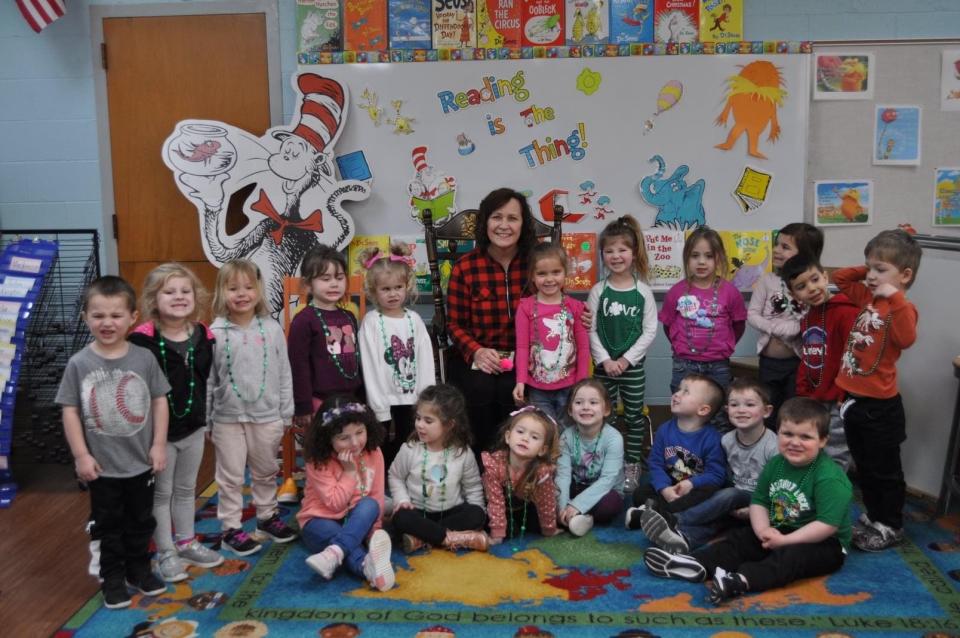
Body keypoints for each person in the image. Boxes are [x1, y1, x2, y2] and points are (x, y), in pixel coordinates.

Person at [645, 398, 853, 605]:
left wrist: (785, 541)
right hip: (781, 528)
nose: (794, 442)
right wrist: (763, 530)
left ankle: (739, 581)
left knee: (791, 558)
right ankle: (696, 564)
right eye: (787, 434)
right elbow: (760, 502)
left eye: (806, 437)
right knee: (742, 539)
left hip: (825, 542)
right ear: (777, 433)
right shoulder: (776, 464)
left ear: (823, 440)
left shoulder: (829, 477)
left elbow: (827, 525)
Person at [56, 276, 171, 609]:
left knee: (141, 519)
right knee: (108, 525)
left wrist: (158, 444)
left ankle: (138, 569)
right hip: (102, 467)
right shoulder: (79, 363)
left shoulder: (143, 359)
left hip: (141, 462)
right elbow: (70, 411)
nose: (107, 323)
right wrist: (81, 455)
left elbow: (160, 400)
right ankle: (113, 577)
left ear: (133, 317)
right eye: (98, 315)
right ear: (85, 318)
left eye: (116, 315)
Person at [129, 264, 223, 583]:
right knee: (162, 493)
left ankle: (186, 541)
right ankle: (165, 550)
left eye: (185, 291)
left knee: (186, 489)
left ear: (196, 297)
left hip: (193, 426)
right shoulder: (141, 341)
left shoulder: (203, 334)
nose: (179, 297)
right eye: (169, 292)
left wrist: (210, 419)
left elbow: (207, 379)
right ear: (154, 300)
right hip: (159, 434)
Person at [834, 229, 921, 551]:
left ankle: (891, 524)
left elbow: (907, 339)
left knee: (884, 472)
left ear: (906, 275)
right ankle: (874, 517)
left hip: (880, 407)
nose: (871, 276)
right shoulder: (867, 297)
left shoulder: (901, 308)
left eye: (881, 269)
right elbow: (842, 279)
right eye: (870, 268)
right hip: (854, 399)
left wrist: (894, 293)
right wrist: (872, 270)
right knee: (864, 467)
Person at [208, 259, 297, 557]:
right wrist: (207, 419)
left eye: (248, 287)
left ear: (258, 291)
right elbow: (208, 377)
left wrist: (286, 411)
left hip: (267, 414)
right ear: (222, 292)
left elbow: (284, 371)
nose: (241, 294)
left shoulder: (271, 329)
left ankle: (267, 517)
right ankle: (231, 528)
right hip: (227, 418)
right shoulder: (215, 332)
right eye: (233, 288)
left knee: (265, 469)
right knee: (231, 475)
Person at [446, 188, 540, 453]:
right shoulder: (465, 267)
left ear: (524, 224)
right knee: (481, 388)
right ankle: (483, 466)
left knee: (511, 389)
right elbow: (453, 323)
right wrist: (476, 351)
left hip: (525, 356)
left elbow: (556, 309)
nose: (504, 225)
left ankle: (518, 467)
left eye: (513, 218)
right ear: (485, 221)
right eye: (497, 217)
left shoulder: (536, 264)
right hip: (477, 355)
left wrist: (580, 316)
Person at [638, 378, 778, 553]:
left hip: (759, 501)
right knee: (717, 517)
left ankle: (675, 519)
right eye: (735, 405)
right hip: (729, 500)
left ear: (766, 411)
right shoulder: (726, 440)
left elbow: (779, 487)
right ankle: (685, 538)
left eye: (749, 405)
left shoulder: (774, 447)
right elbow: (722, 475)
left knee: (728, 494)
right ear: (727, 410)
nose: (741, 410)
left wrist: (757, 509)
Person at [587, 215, 657, 492]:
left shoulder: (643, 292)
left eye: (622, 250)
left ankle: (632, 466)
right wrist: (605, 360)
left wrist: (626, 360)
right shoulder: (598, 291)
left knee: (633, 416)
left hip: (633, 368)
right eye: (610, 251)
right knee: (604, 416)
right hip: (603, 367)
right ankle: (606, 465)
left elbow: (649, 331)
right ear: (603, 255)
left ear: (633, 253)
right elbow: (590, 330)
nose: (616, 256)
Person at [297, 397, 395, 592]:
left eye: (360, 432)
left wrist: (372, 534)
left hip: (358, 519)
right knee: (329, 531)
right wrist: (349, 472)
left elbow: (376, 496)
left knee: (371, 505)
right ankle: (367, 567)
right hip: (319, 520)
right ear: (327, 438)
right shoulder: (317, 460)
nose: (355, 443)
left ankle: (334, 553)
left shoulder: (374, 452)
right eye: (344, 438)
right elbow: (335, 504)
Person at [358, 241, 436, 467]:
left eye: (398, 287)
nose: (393, 294)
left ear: (407, 286)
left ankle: (409, 481)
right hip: (382, 397)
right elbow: (370, 367)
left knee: (410, 443)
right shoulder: (371, 322)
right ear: (374, 291)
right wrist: (379, 405)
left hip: (412, 398)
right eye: (385, 289)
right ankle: (380, 485)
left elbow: (425, 361)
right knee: (379, 446)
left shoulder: (414, 320)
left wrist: (425, 398)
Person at [781, 254, 860, 470]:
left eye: (815, 279)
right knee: (813, 450)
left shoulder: (847, 312)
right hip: (814, 398)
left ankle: (833, 499)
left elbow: (853, 359)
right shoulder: (808, 318)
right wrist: (803, 391)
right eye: (801, 286)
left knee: (836, 453)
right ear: (793, 294)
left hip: (837, 399)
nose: (812, 288)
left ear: (826, 277)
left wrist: (844, 394)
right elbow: (809, 357)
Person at [388, 384, 488, 553]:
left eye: (428, 421)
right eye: (418, 418)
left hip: (451, 513)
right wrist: (402, 500)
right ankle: (451, 538)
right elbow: (395, 476)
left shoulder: (462, 453)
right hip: (419, 513)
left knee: (476, 514)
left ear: (449, 425)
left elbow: (473, 487)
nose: (419, 425)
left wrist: (480, 518)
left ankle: (420, 538)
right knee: (400, 517)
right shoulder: (410, 449)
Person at [625, 373, 726, 529]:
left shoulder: (712, 438)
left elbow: (717, 475)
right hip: (670, 484)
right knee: (640, 493)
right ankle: (657, 513)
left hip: (693, 489)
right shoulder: (665, 429)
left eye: (686, 392)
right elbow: (655, 463)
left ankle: (655, 514)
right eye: (679, 389)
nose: (677, 394)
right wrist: (664, 488)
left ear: (703, 409)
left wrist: (691, 483)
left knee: (709, 492)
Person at [747, 223, 823, 427]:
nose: (777, 250)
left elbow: (811, 318)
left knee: (793, 410)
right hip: (768, 362)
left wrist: (794, 328)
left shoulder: (810, 286)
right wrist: (772, 327)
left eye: (785, 247)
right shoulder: (767, 281)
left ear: (805, 255)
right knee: (768, 410)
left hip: (796, 363)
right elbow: (752, 314)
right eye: (777, 244)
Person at [660, 226, 747, 395]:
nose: (701, 262)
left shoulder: (730, 292)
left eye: (709, 256)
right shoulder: (676, 291)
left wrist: (722, 346)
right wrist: (682, 346)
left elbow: (738, 325)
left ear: (719, 258)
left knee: (719, 412)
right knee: (685, 409)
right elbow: (667, 326)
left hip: (718, 364)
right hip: (684, 363)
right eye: (694, 256)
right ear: (686, 258)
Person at [512, 242, 590, 425]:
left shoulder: (575, 307)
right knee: (545, 430)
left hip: (570, 386)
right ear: (532, 276)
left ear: (565, 273)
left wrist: (582, 383)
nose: (549, 279)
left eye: (556, 272)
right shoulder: (526, 308)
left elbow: (584, 347)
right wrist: (520, 381)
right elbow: (522, 347)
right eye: (542, 273)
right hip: (537, 389)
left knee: (566, 431)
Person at [289, 245, 363, 430]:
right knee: (324, 454)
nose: (334, 284)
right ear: (308, 285)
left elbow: (357, 361)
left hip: (351, 399)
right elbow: (298, 366)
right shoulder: (303, 320)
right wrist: (303, 407)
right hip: (319, 402)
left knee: (349, 449)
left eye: (339, 278)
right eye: (325, 279)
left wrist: (363, 398)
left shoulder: (349, 317)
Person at [482, 407, 562, 546]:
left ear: (542, 450)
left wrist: (550, 530)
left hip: (525, 506)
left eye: (534, 437)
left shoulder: (541, 471)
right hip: (499, 508)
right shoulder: (495, 465)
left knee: (535, 525)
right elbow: (495, 501)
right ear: (508, 437)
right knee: (502, 529)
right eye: (520, 432)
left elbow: (546, 502)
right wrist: (497, 534)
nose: (525, 438)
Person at [556, 380, 625, 537]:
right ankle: (574, 516)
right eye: (579, 402)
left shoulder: (614, 438)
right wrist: (562, 508)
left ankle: (586, 517)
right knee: (551, 493)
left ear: (606, 409)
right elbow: (563, 475)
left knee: (610, 505)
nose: (586, 407)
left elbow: (608, 480)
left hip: (606, 490)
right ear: (570, 410)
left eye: (593, 402)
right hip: (578, 485)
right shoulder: (566, 436)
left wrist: (576, 504)